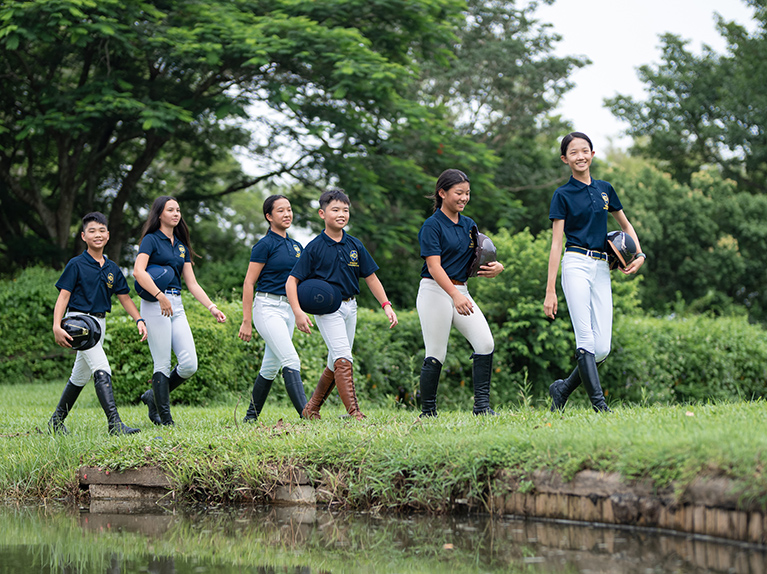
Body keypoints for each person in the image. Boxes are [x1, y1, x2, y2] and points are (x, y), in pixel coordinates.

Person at [544, 132, 645, 412]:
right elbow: (555, 244)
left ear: (593, 154)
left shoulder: (605, 189)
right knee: (585, 338)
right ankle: (600, 406)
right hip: (575, 262)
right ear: (565, 159)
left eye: (585, 150)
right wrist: (550, 290)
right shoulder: (561, 195)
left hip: (602, 266)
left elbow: (625, 226)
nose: (580, 156)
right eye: (573, 152)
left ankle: (561, 390)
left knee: (602, 348)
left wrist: (640, 254)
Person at [285, 189, 398, 421]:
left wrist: (386, 304)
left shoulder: (354, 245)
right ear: (322, 213)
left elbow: (371, 277)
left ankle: (311, 409)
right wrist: (297, 311)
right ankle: (355, 413)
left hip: (351, 307)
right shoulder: (314, 247)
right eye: (335, 210)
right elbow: (291, 281)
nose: (341, 214)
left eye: (345, 210)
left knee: (334, 361)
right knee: (343, 357)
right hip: (327, 311)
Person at [416, 169, 505, 418]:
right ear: (442, 193)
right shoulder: (431, 225)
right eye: (459, 193)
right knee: (436, 352)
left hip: (461, 290)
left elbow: (478, 260)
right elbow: (434, 267)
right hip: (435, 291)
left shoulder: (469, 225)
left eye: (467, 193)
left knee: (485, 343)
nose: (464, 198)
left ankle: (482, 408)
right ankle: (428, 413)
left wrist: (497, 267)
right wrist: (455, 295)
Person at [49, 212, 147, 435]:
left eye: (102, 230)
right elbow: (63, 297)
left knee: (80, 376)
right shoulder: (76, 264)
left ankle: (55, 422)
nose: (97, 234)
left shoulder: (112, 268)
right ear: (83, 236)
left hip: (100, 324)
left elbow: (124, 298)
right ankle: (115, 424)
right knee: (102, 368)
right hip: (80, 324)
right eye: (92, 231)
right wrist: (57, 325)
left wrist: (139, 319)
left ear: (108, 235)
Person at [133, 196, 227, 426]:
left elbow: (192, 283)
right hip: (156, 303)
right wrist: (159, 296)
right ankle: (166, 421)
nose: (176, 214)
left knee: (189, 364)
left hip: (177, 304)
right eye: (170, 210)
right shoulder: (150, 240)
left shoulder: (182, 247)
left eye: (178, 210)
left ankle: (152, 397)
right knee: (162, 363)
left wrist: (212, 307)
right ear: (159, 214)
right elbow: (138, 271)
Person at [237, 195, 307, 422]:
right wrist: (246, 320)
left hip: (287, 310)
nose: (287, 214)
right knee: (291, 359)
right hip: (267, 308)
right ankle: (307, 415)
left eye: (289, 209)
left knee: (270, 366)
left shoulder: (297, 246)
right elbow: (249, 282)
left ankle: (250, 417)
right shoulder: (264, 245)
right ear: (269, 216)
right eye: (280, 211)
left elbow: (299, 282)